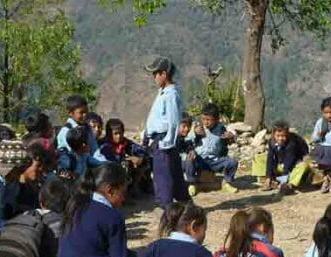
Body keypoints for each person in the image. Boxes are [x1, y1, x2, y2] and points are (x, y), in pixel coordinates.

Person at [142, 56, 192, 209]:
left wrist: (166, 143)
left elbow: (172, 120)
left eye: (156, 73)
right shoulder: (163, 92)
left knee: (163, 178)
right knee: (174, 175)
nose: (154, 77)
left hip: (164, 142)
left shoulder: (170, 95)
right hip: (161, 141)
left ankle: (168, 210)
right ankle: (187, 207)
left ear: (164, 74)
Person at [184, 103, 240, 195]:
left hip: (215, 160)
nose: (206, 122)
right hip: (200, 159)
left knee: (232, 162)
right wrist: (194, 133)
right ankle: (192, 184)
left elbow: (233, 134)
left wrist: (231, 136)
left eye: (209, 120)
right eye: (203, 119)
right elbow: (186, 139)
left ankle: (227, 182)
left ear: (216, 119)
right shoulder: (197, 127)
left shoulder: (221, 128)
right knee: (189, 159)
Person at [99, 118, 152, 196]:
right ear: (109, 134)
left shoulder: (124, 142)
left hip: (120, 170)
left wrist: (140, 158)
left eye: (121, 133)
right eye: (116, 134)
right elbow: (110, 160)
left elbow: (140, 150)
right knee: (124, 165)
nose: (119, 136)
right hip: (106, 172)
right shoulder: (103, 144)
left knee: (145, 162)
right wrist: (126, 160)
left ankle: (135, 188)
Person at [56, 95, 105, 174]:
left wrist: (105, 164)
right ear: (71, 113)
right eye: (81, 112)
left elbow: (95, 151)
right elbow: (76, 155)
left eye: (86, 112)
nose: (85, 115)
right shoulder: (66, 132)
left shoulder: (88, 129)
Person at [258, 120, 310, 195]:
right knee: (259, 158)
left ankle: (289, 184)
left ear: (287, 134)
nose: (280, 138)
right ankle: (268, 180)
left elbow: (289, 161)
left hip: (293, 165)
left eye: (283, 136)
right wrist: (268, 175)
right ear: (273, 134)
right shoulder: (272, 142)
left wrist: (284, 178)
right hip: (280, 164)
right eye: (278, 136)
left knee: (304, 165)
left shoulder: (292, 143)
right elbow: (270, 158)